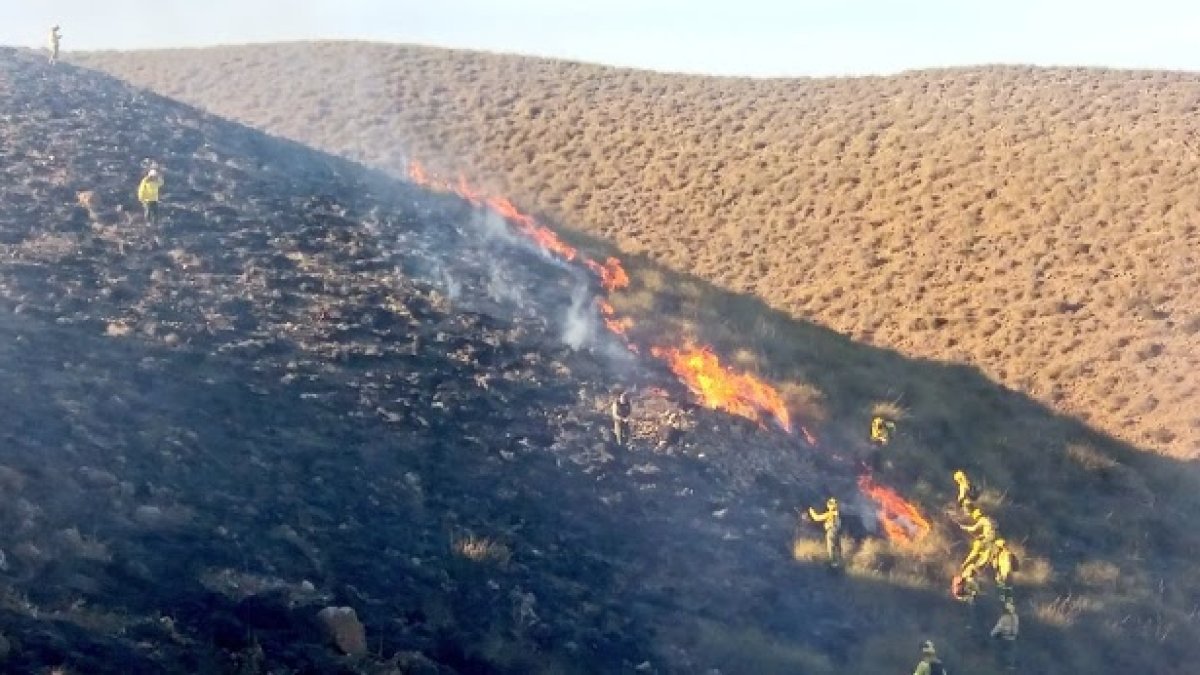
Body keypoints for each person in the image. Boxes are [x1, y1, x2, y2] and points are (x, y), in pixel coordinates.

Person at [807, 497, 843, 569]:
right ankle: (840, 562)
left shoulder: (831, 513)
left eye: (830, 503)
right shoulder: (837, 514)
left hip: (831, 531)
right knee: (837, 547)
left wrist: (810, 510)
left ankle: (833, 563)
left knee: (830, 547)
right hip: (837, 532)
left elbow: (817, 518)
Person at [959, 508, 997, 574]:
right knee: (986, 556)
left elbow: (973, 529)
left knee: (975, 554)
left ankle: (966, 566)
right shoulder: (989, 520)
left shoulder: (982, 520)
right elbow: (991, 530)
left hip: (986, 540)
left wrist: (963, 527)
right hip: (991, 540)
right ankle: (975, 568)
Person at [990, 600, 1019, 671]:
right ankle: (1011, 666)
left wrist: (992, 634)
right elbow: (1016, 627)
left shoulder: (1004, 618)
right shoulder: (1015, 617)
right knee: (1011, 653)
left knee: (1001, 651)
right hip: (1012, 638)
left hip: (1004, 638)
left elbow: (998, 627)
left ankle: (1001, 666)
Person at [991, 539, 1018, 603]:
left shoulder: (1005, 554)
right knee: (1005, 590)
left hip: (1004, 575)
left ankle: (1005, 602)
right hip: (1005, 576)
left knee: (1004, 590)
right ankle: (1005, 602)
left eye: (997, 547)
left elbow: (1008, 565)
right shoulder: (1006, 554)